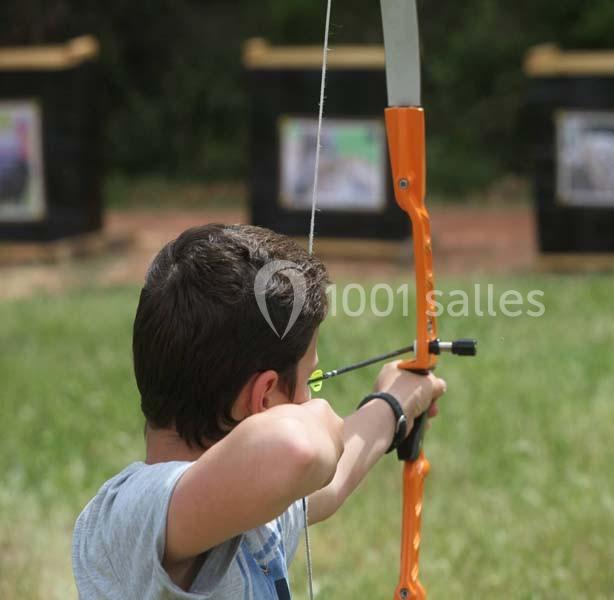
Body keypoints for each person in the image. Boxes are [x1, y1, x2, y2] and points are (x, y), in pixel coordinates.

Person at [72, 224, 446, 599]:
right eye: (310, 382)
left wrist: (393, 404)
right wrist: (320, 418)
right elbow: (299, 450)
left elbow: (330, 482)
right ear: (265, 397)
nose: (311, 400)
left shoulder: (249, 503)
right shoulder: (132, 516)